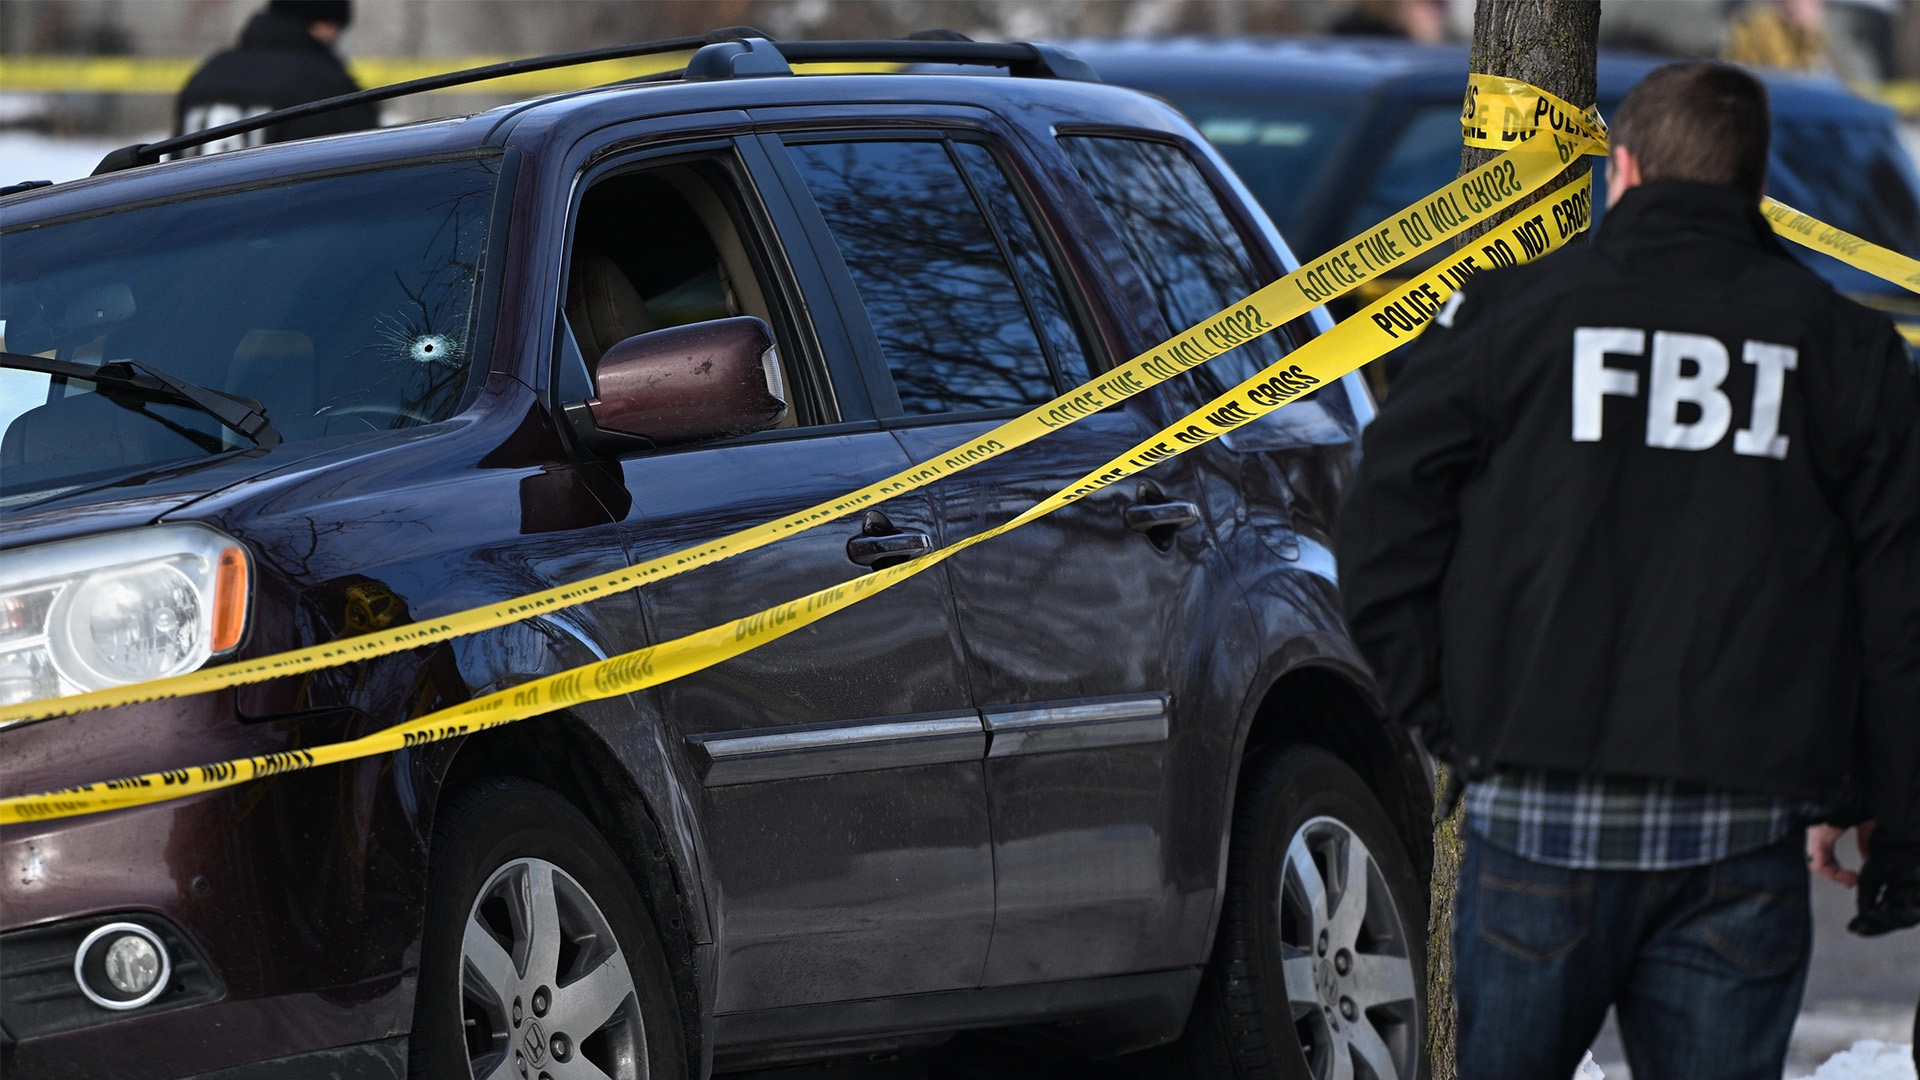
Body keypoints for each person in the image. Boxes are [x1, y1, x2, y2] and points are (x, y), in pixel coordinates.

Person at [1335, 60, 1920, 1078]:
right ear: (1752, 183)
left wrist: (1446, 713)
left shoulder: (1514, 319)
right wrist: (1884, 800)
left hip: (1539, 809)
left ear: (1623, 172)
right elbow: (1900, 603)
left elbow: (1384, 516)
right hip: (1743, 825)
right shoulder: (1845, 347)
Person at [174, 0, 376, 156]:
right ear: (324, 24)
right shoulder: (322, 81)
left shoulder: (209, 72)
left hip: (196, 208)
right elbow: (366, 160)